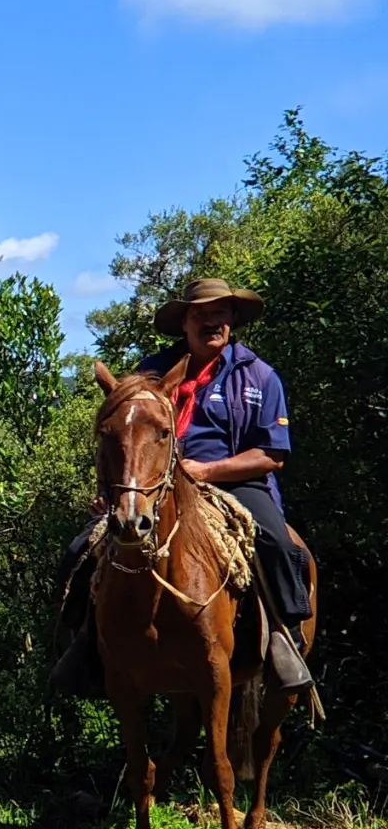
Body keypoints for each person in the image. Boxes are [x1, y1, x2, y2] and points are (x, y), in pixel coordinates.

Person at [53, 278, 314, 695]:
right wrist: (116, 487)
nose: (211, 321)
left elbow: (272, 455)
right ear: (185, 322)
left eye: (220, 313)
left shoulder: (260, 377)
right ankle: (86, 644)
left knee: (280, 546)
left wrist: (205, 472)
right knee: (81, 551)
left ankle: (286, 638)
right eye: (200, 313)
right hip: (153, 485)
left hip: (237, 484)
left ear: (232, 320)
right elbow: (121, 437)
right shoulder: (150, 372)